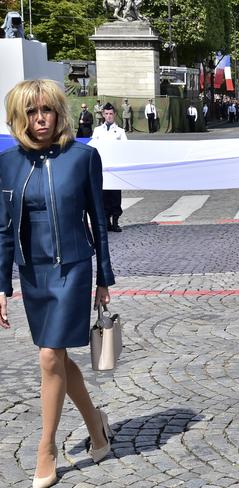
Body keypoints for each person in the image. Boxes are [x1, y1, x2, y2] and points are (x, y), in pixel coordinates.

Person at [0, 79, 115, 487]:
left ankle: (45, 448)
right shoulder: (8, 163)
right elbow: (3, 227)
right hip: (34, 274)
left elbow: (98, 222)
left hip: (73, 269)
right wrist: (2, 284)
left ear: (59, 112)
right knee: (60, 359)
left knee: (50, 356)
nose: (40, 118)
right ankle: (96, 425)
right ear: (19, 117)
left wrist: (104, 277)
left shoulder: (83, 157)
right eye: (30, 112)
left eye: (46, 109)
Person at [92, 103, 127, 232]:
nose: (108, 116)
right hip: (102, 168)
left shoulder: (120, 131)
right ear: (103, 115)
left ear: (115, 115)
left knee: (115, 196)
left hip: (115, 168)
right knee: (103, 195)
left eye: (111, 114)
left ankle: (115, 221)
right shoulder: (97, 130)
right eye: (106, 114)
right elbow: (93, 148)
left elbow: (125, 148)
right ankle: (106, 221)